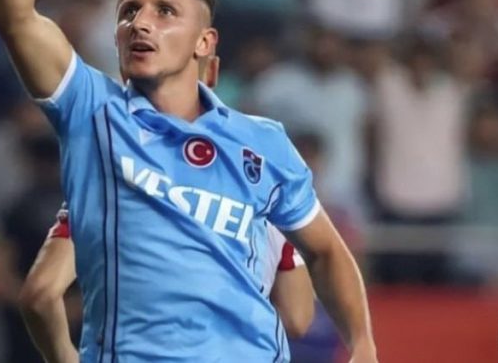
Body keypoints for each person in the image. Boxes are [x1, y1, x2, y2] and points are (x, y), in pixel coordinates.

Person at [0, 0, 376, 361]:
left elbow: (324, 252)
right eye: (129, 11)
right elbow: (16, 18)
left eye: (164, 11)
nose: (140, 23)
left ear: (204, 43)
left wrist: (363, 343)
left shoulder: (263, 142)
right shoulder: (94, 113)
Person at [17, 56, 316, 363]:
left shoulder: (108, 188)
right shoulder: (264, 195)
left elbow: (41, 294)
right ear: (212, 75)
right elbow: (297, 318)